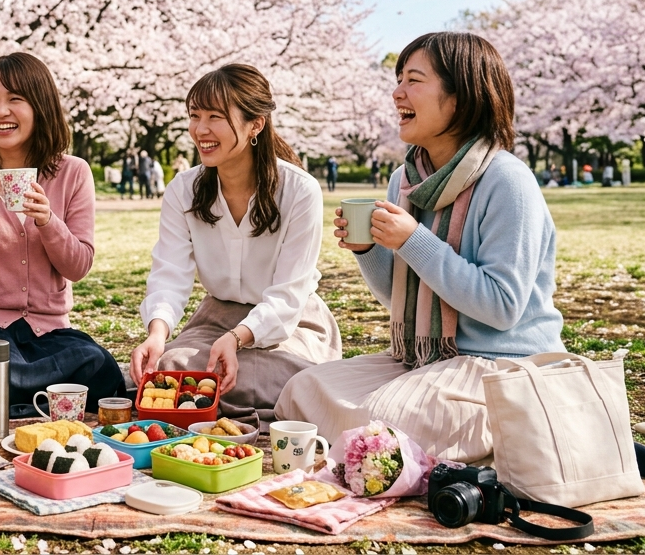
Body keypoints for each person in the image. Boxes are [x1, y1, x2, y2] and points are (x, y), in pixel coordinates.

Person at [277, 31, 565, 463]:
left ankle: (527, 431)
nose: (397, 93)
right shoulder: (405, 180)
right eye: (399, 80)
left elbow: (501, 308)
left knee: (384, 420)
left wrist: (413, 240)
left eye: (414, 80)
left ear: (461, 97)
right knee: (305, 390)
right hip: (424, 357)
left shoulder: (507, 181)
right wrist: (368, 250)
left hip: (501, 363)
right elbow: (400, 296)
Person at [131, 64, 341, 424]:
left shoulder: (299, 190)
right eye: (194, 116)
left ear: (255, 124)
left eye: (215, 117)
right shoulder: (184, 189)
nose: (201, 130)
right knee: (169, 367)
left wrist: (238, 338)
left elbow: (289, 294)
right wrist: (158, 333)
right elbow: (170, 274)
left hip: (290, 322)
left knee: (296, 382)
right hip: (216, 317)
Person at [0, 52, 124, 419]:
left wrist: (48, 221)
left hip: (48, 332)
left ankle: (13, 406)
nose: (1, 111)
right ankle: (26, 405)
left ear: (40, 105)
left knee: (100, 370)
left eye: (15, 99)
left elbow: (78, 265)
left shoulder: (73, 172)